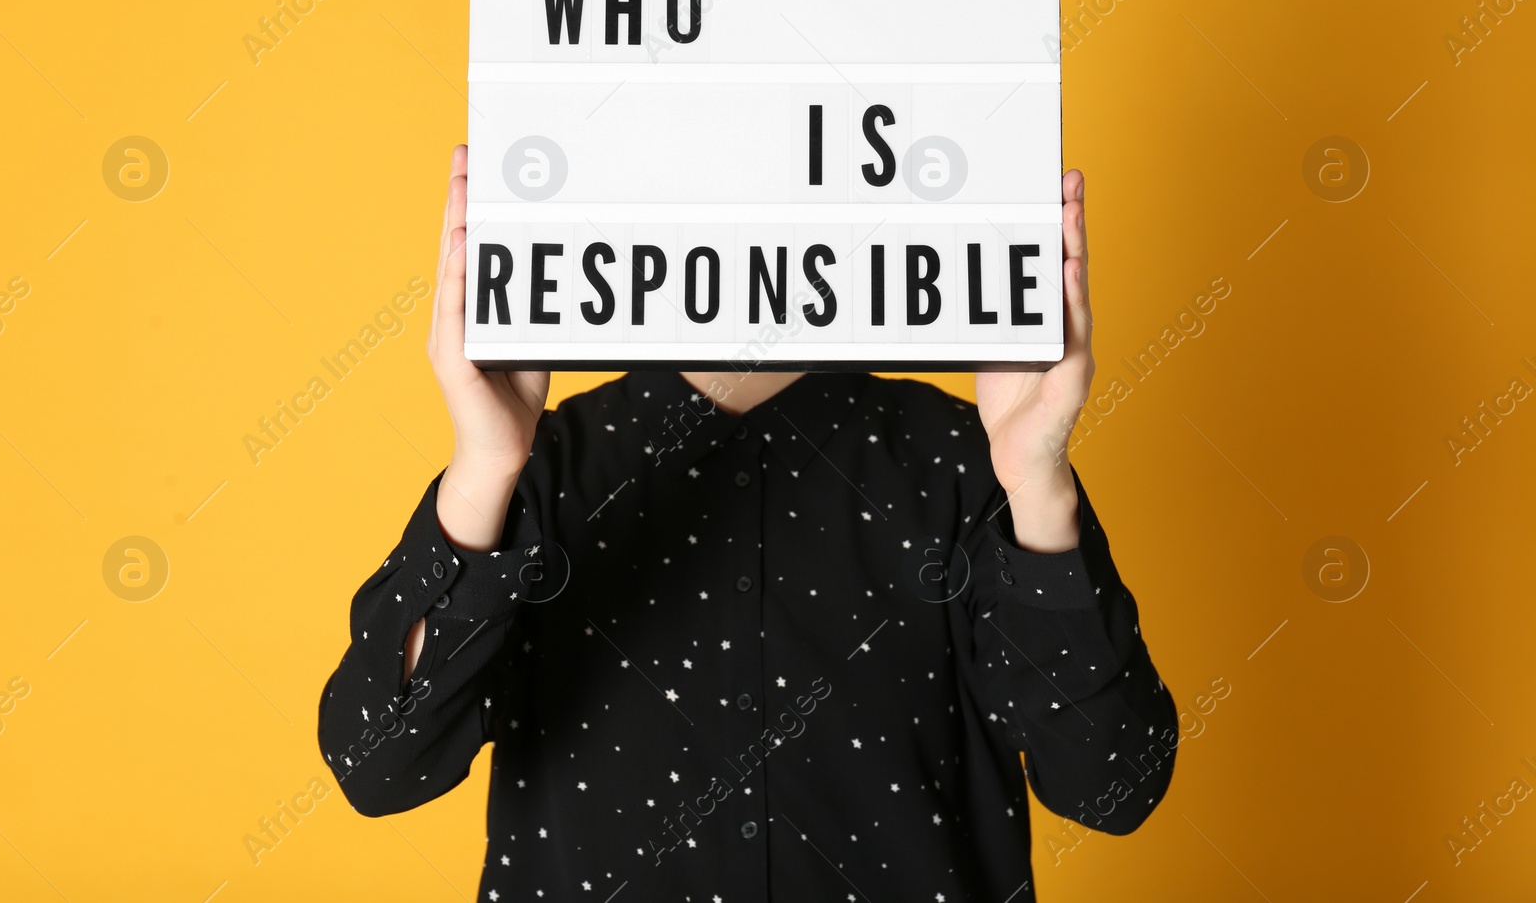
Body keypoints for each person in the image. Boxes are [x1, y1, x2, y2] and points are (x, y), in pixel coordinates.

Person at [317, 147, 1178, 901]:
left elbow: (1113, 788)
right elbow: (378, 763)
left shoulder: (967, 462)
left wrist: (1036, 480)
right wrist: (482, 469)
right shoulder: (543, 472)